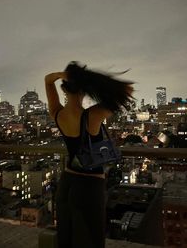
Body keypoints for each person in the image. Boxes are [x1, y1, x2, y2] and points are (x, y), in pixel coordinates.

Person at [45, 61, 134, 248]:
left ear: (64, 89)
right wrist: (90, 79)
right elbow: (127, 91)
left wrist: (63, 75)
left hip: (66, 183)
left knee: (67, 240)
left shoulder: (57, 114)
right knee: (91, 239)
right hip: (89, 186)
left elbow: (47, 80)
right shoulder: (92, 115)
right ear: (83, 90)